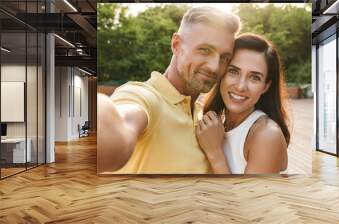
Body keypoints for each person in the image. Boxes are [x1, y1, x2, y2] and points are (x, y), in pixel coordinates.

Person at [97, 6, 241, 174]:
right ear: (176, 45)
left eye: (224, 58)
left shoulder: (204, 116)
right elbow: (122, 121)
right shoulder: (146, 98)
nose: (215, 67)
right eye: (205, 50)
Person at [195, 33, 290, 174]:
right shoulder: (216, 125)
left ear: (265, 86)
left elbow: (246, 197)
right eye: (233, 71)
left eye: (254, 77)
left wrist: (215, 153)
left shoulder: (267, 135)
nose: (240, 86)